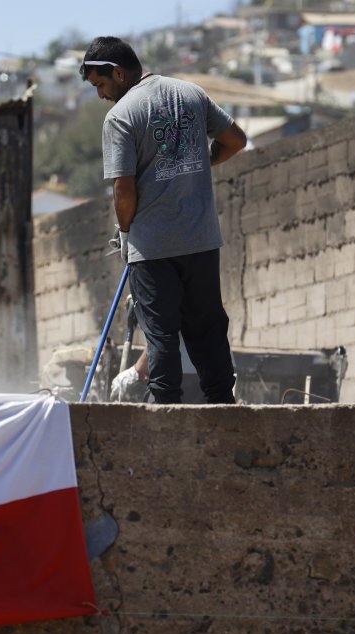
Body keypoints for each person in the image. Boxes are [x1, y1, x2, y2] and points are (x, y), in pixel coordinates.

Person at [81, 36, 247, 404]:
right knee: (208, 330)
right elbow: (236, 140)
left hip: (152, 247)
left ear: (119, 73)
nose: (101, 95)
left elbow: (123, 189)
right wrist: (203, 160)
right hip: (202, 240)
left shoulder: (120, 117)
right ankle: (225, 410)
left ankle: (165, 416)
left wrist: (125, 233)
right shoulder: (191, 94)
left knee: (161, 335)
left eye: (101, 85)